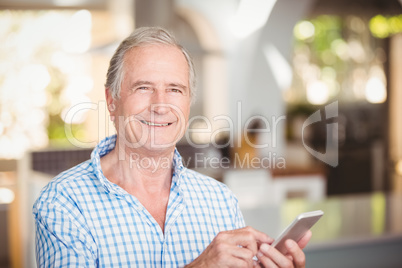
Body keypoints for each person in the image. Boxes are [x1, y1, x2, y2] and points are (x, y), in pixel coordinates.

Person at [33, 27, 311, 267]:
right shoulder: (63, 203)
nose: (160, 105)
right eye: (143, 88)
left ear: (188, 103)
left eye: (175, 89)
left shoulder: (220, 200)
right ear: (111, 100)